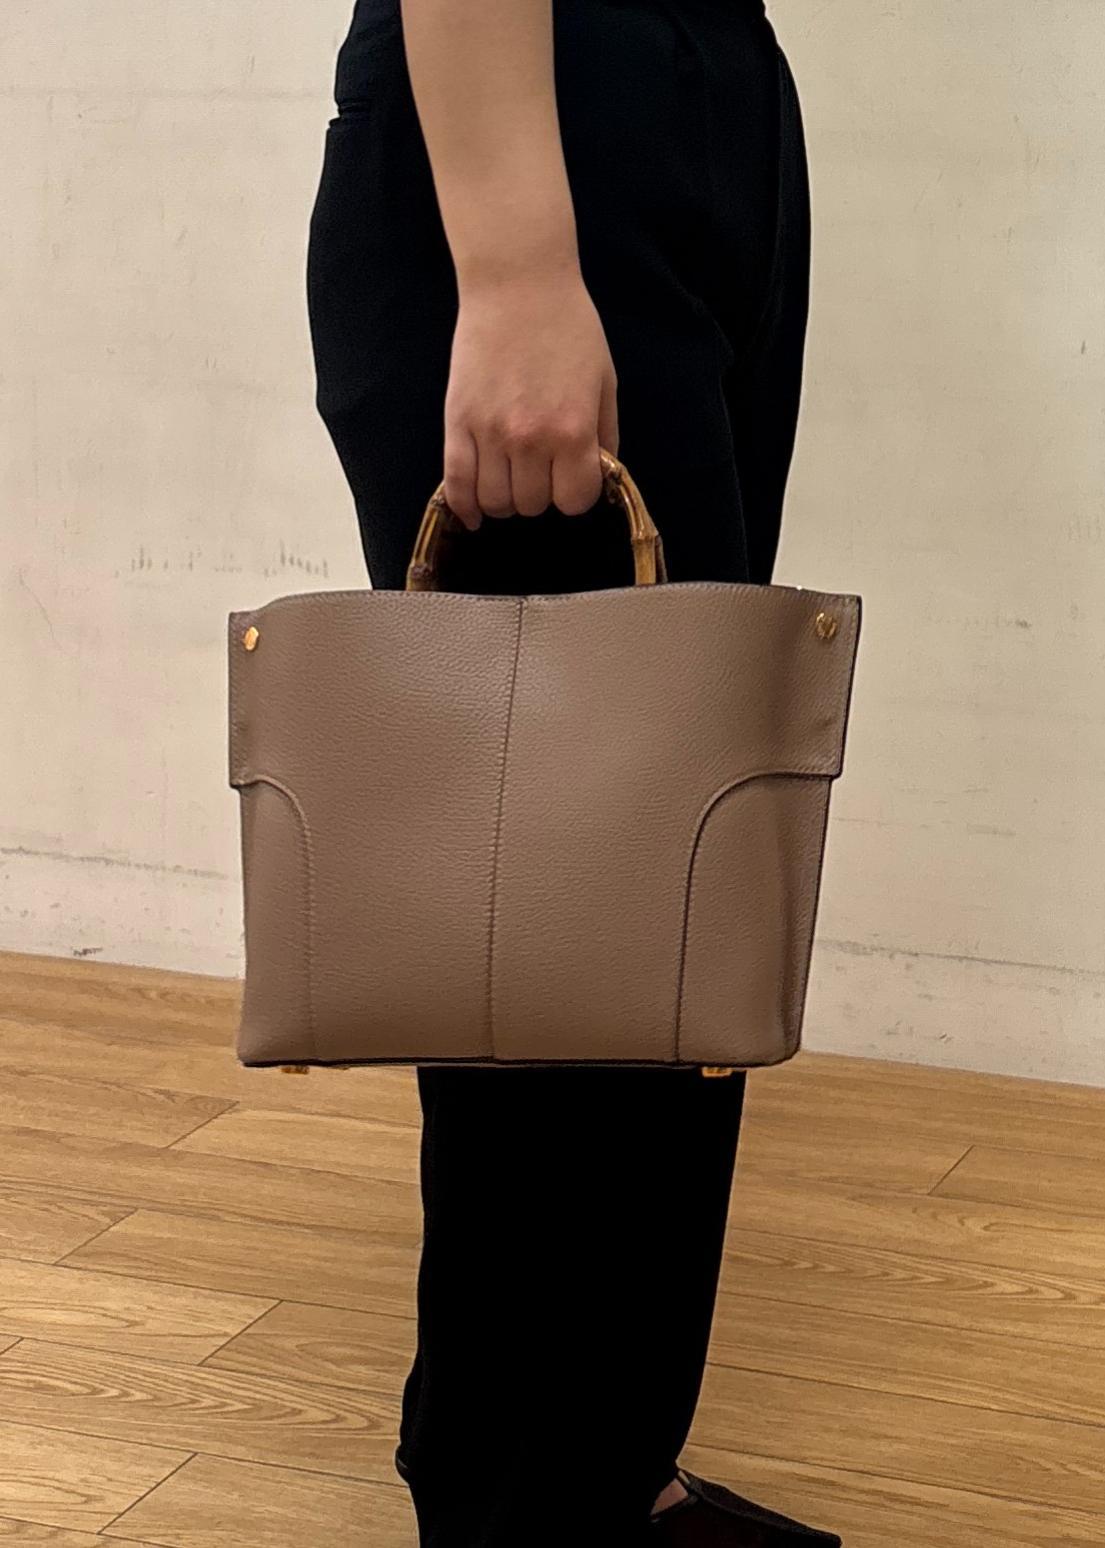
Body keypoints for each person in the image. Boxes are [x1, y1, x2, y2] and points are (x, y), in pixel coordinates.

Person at [306, 1, 842, 1544]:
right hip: (542, 106)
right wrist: (517, 265)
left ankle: (608, 1467)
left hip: (705, 97)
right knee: (547, 920)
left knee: (668, 900)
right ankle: (519, 1501)